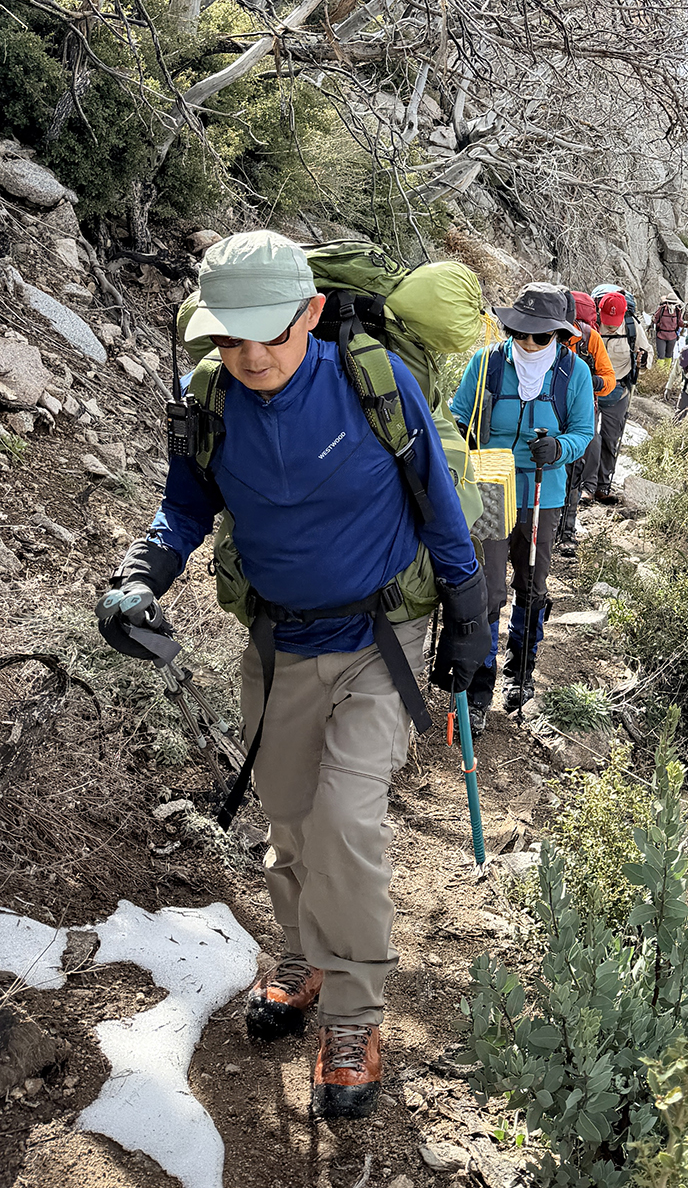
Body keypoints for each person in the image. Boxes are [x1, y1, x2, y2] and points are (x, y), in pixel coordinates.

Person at [94, 231, 486, 1121]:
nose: (253, 355)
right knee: (290, 820)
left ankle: (354, 1015)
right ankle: (304, 956)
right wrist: (138, 579)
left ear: (310, 313)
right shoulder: (207, 400)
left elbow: (437, 496)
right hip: (280, 644)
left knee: (345, 819)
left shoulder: (374, 381)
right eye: (231, 337)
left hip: (382, 636)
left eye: (271, 331)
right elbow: (184, 508)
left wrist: (470, 617)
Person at [449, 284, 594, 714]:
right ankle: (479, 688)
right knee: (488, 587)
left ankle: (521, 671)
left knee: (532, 584)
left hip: (542, 493)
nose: (528, 342)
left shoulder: (573, 373)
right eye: (519, 332)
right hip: (489, 488)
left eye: (540, 335)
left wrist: (559, 448)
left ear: (559, 335)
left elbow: (583, 432)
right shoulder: (487, 363)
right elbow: (457, 414)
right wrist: (460, 438)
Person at [555, 290, 614, 552]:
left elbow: (609, 379)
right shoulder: (545, 335)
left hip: (579, 414)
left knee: (573, 472)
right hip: (552, 410)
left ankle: (565, 531)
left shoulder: (590, 339)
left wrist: (589, 381)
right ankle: (554, 532)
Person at [582, 288, 650, 505]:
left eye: (615, 320)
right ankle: (587, 486)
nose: (611, 325)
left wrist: (642, 360)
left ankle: (603, 486)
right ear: (599, 311)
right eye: (607, 318)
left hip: (618, 391)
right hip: (592, 389)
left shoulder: (631, 326)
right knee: (590, 437)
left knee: (611, 439)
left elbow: (647, 356)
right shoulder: (591, 325)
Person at [653, 294, 683, 360]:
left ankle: (667, 367)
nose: (671, 305)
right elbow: (655, 319)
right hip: (661, 335)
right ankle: (660, 367)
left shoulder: (677, 311)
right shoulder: (662, 309)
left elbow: (680, 322)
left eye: (673, 303)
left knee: (669, 355)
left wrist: (684, 325)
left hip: (672, 336)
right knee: (661, 356)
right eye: (669, 303)